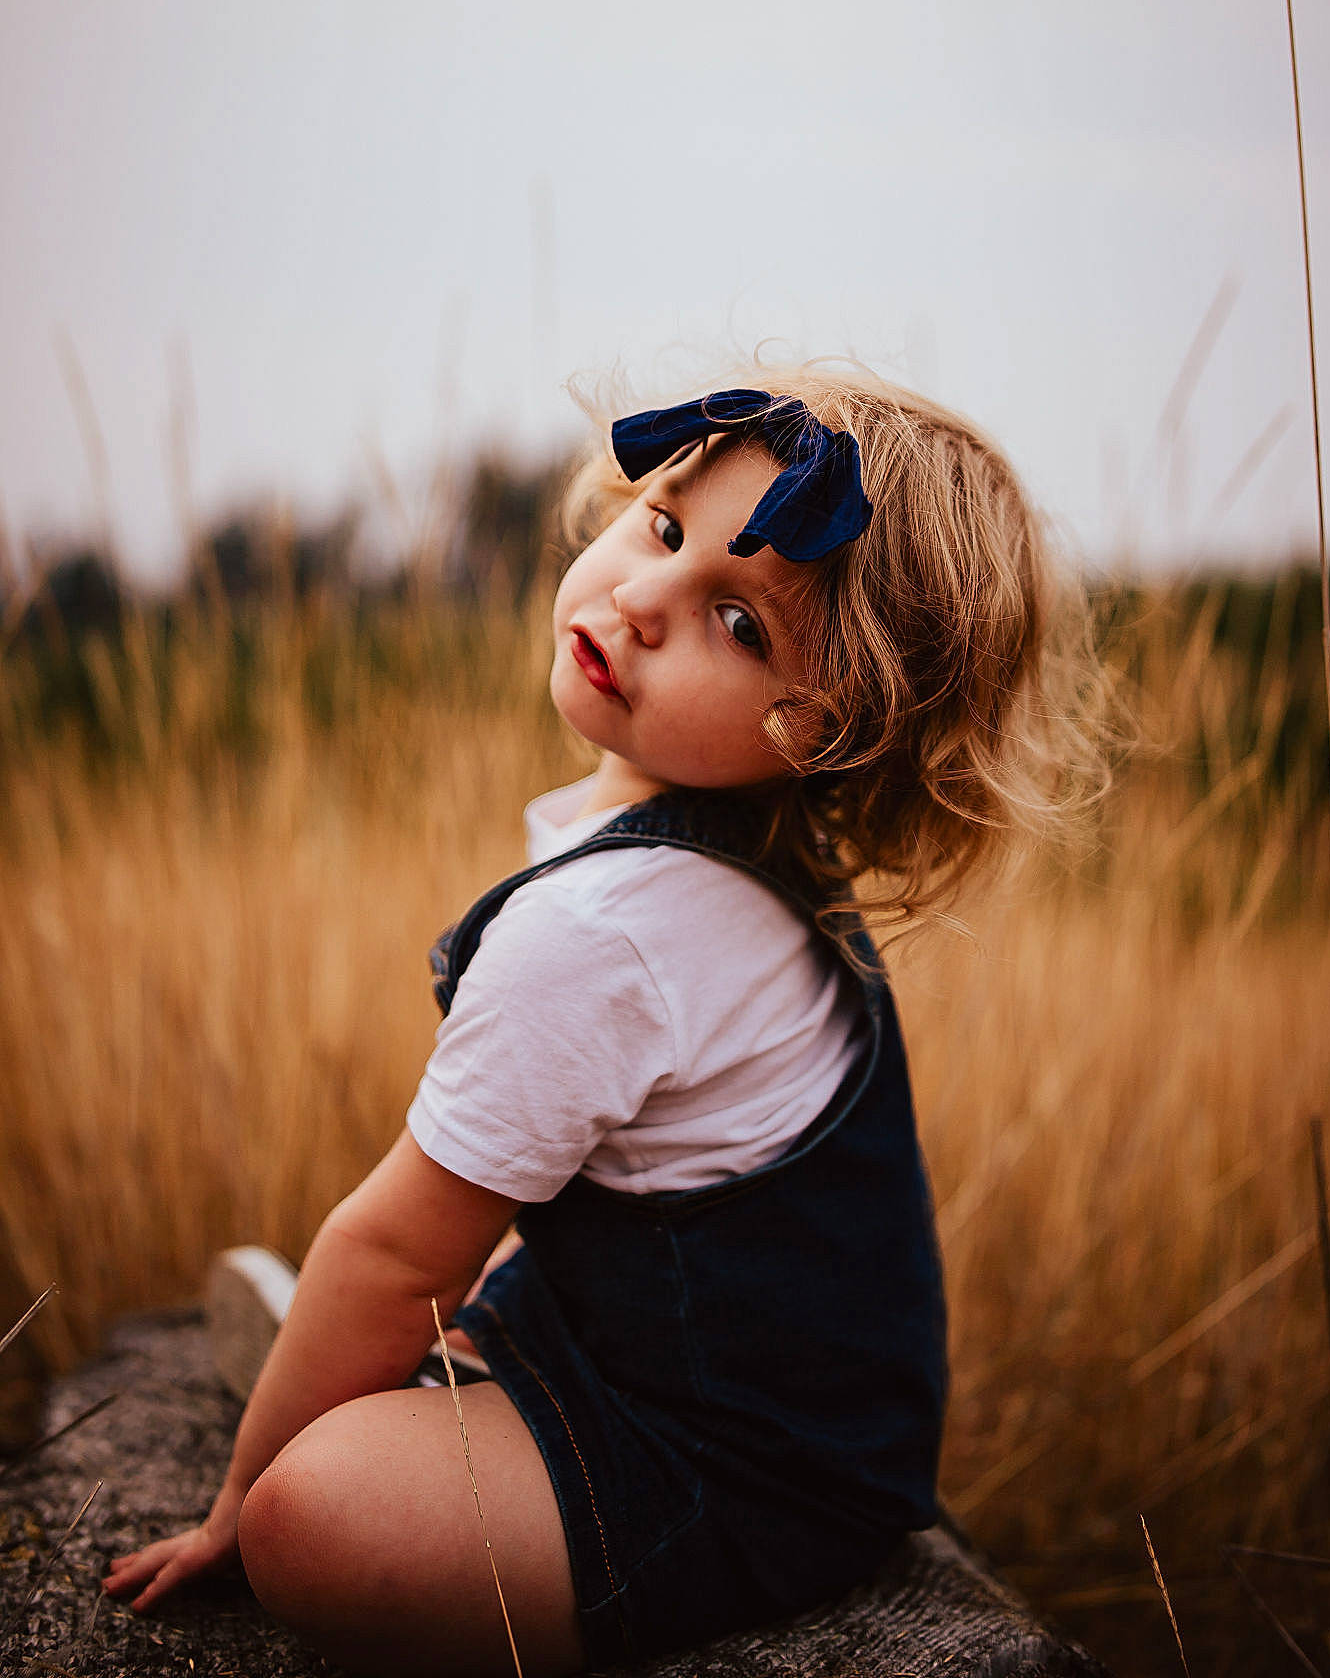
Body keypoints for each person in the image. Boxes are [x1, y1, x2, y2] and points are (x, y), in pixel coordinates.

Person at [103, 367, 1104, 1677]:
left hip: (741, 1467)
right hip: (719, 1379)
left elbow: (397, 1251)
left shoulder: (613, 932)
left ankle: (380, 1425)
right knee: (408, 1369)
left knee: (311, 1517)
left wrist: (237, 1502)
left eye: (738, 626)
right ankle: (435, 1386)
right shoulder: (724, 846)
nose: (637, 601)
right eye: (665, 529)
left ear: (827, 730)